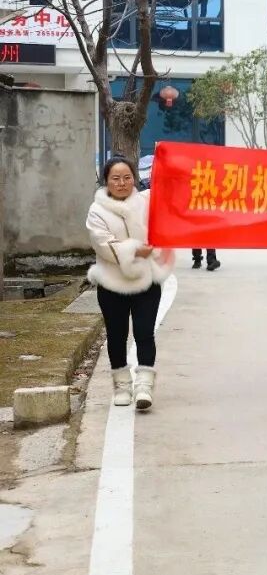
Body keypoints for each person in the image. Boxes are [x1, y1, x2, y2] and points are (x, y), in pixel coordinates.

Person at [86, 156, 176, 410]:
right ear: (106, 181)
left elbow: (172, 196)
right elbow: (103, 244)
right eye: (115, 178)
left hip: (146, 282)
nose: (122, 183)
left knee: (145, 333)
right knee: (117, 336)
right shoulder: (96, 211)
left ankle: (144, 386)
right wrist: (136, 249)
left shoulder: (147, 201)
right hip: (112, 284)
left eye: (127, 177)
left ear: (134, 179)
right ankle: (122, 386)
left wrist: (170, 162)